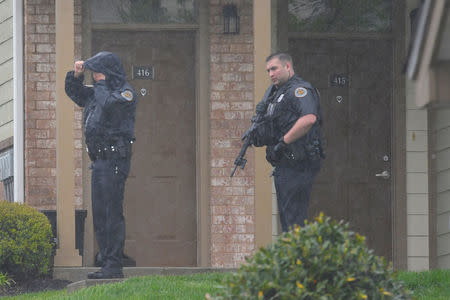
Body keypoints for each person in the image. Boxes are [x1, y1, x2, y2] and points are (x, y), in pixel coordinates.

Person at [65, 51, 137, 279]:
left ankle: (114, 264)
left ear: (107, 73)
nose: (94, 76)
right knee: (100, 214)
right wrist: (76, 75)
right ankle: (107, 261)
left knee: (111, 213)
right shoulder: (98, 92)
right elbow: (76, 94)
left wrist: (102, 83)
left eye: (98, 72)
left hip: (115, 160)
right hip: (100, 162)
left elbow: (107, 106)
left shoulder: (124, 94)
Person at [251, 52, 324, 232]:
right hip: (285, 164)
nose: (271, 74)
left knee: (294, 220)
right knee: (287, 219)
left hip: (299, 163)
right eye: (268, 70)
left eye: (274, 68)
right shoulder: (277, 94)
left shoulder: (300, 90)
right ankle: (293, 256)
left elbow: (309, 118)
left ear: (288, 66)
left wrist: (283, 143)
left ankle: (297, 259)